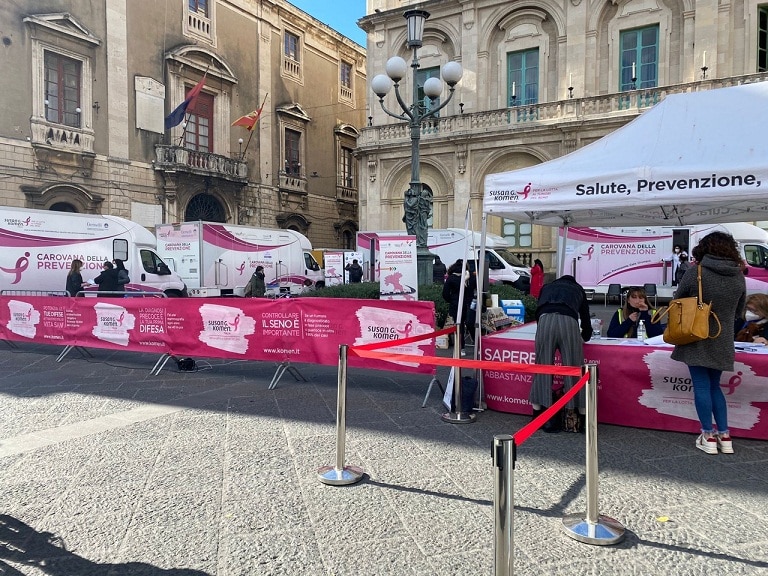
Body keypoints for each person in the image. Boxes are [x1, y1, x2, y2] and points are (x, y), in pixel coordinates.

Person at [670, 231, 745, 455]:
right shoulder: (738, 275)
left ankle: (708, 435)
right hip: (722, 339)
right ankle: (725, 435)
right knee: (715, 387)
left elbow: (677, 302)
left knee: (701, 386)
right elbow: (740, 312)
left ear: (705, 248)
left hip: (696, 335)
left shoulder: (696, 272)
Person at [530, 274, 592, 433]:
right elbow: (585, 317)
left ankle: (541, 414)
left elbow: (538, 309)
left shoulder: (547, 287)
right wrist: (585, 336)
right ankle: (580, 416)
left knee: (543, 367)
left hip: (545, 320)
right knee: (573, 369)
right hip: (568, 321)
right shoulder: (578, 289)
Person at [442, 259, 473, 356]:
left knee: (459, 326)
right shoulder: (470, 277)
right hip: (469, 304)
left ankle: (461, 348)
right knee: (471, 325)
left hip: (456, 304)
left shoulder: (451, 278)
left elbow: (445, 293)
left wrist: (452, 300)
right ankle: (478, 345)